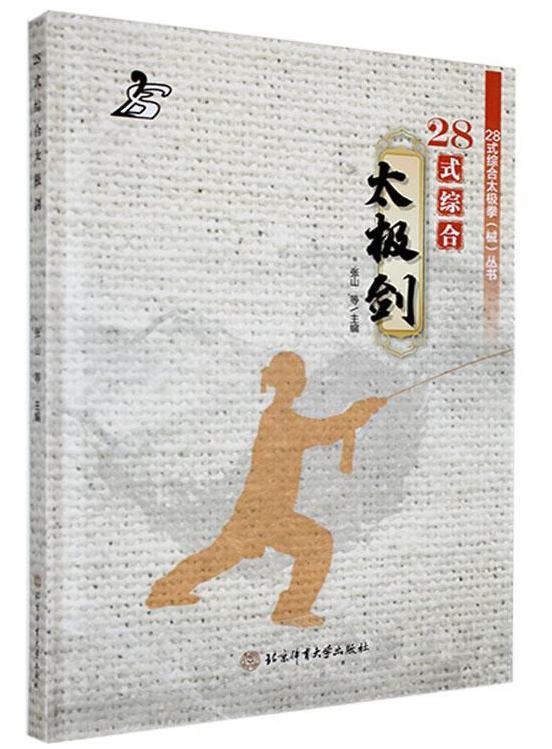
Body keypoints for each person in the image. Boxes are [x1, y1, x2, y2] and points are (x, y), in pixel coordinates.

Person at [146, 351, 387, 627]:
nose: (300, 384)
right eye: (297, 379)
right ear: (295, 384)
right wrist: (357, 413)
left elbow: (326, 430)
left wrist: (357, 413)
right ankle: (291, 610)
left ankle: (165, 591)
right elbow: (326, 431)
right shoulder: (281, 421)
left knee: (221, 555)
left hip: (260, 510)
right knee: (317, 544)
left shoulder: (277, 417)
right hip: (266, 513)